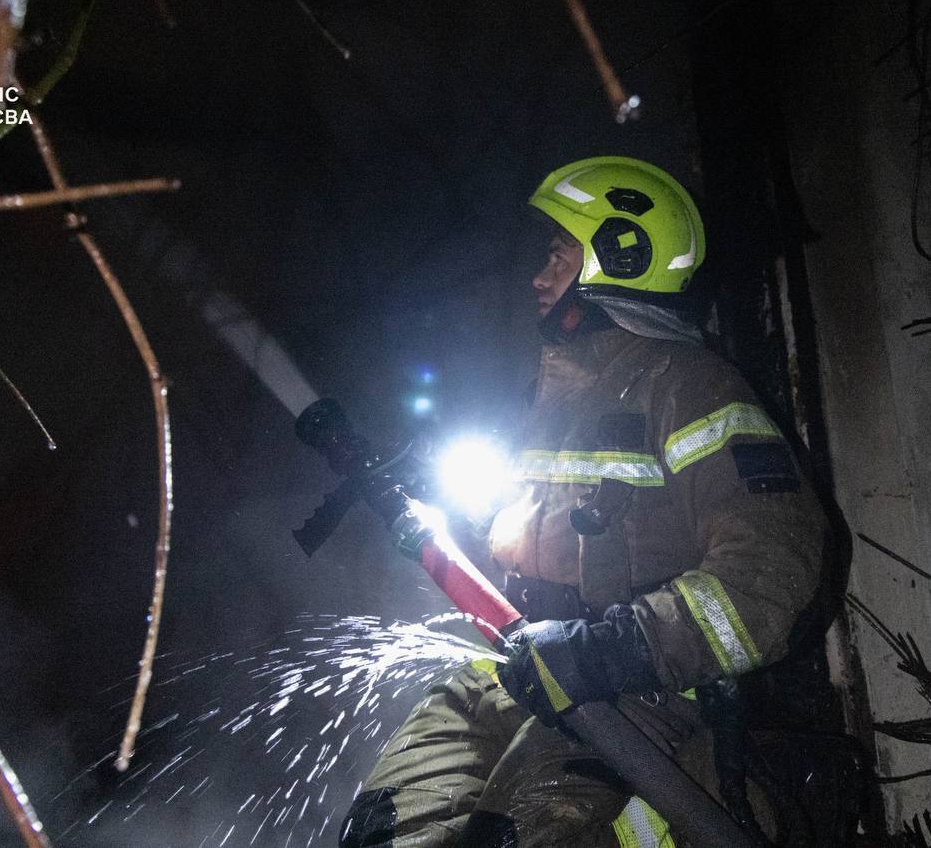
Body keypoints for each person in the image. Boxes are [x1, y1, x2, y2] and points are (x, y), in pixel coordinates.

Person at [339, 156, 827, 847]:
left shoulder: (691, 387)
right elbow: (529, 545)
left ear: (621, 258)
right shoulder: (549, 402)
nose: (539, 279)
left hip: (635, 694)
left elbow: (773, 573)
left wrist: (607, 652)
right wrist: (434, 510)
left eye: (558, 257)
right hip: (515, 670)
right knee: (383, 830)